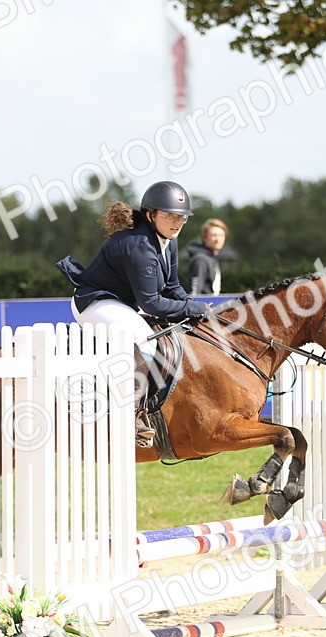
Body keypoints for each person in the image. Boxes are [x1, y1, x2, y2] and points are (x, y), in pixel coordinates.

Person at [57, 180, 212, 448]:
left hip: (124, 302)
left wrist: (196, 309)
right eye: (170, 216)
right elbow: (152, 303)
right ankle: (130, 417)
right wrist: (193, 308)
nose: (177, 223)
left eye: (181, 217)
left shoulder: (167, 242)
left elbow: (173, 287)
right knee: (146, 341)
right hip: (96, 302)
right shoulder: (140, 247)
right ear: (150, 215)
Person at [185, 218, 229, 295]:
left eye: (221, 235)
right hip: (202, 306)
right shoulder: (200, 259)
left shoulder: (212, 258)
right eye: (213, 235)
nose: (218, 239)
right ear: (204, 237)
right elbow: (194, 294)